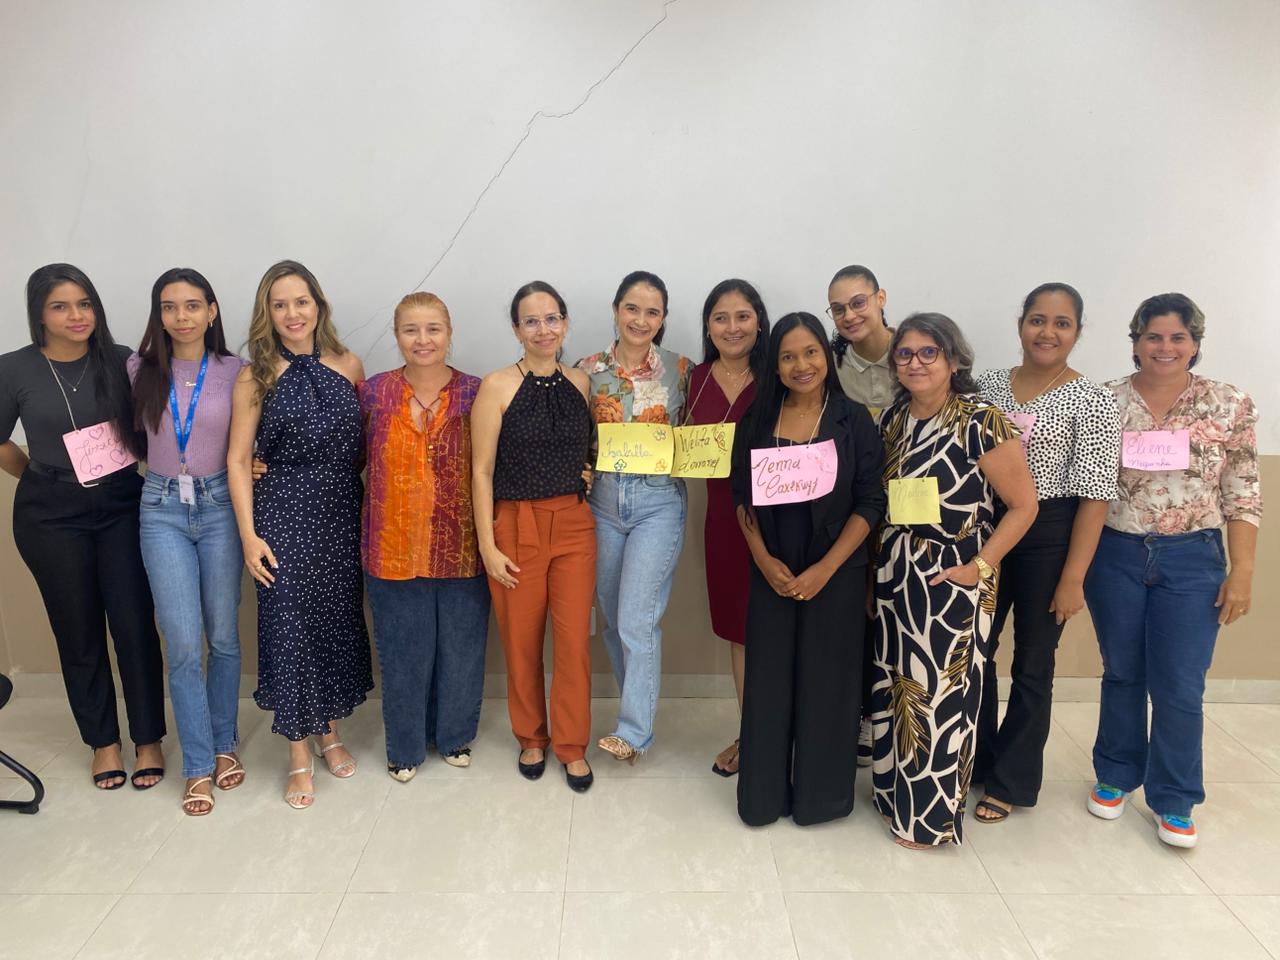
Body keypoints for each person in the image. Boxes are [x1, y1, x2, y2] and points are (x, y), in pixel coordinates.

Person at [1084, 293, 1261, 849]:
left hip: (1193, 557)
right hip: (1116, 553)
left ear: (1195, 344)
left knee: (1181, 685)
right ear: (1134, 342)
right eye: (1153, 336)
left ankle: (1176, 797)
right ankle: (1116, 773)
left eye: (1177, 337)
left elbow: (1243, 491)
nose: (1165, 347)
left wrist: (1242, 571)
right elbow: (1089, 486)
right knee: (1122, 672)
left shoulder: (1228, 403)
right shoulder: (1103, 401)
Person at [871, 313, 1037, 848]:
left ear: (954, 360)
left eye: (928, 353)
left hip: (953, 578)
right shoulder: (894, 419)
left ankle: (929, 821)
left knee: (944, 700)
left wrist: (980, 567)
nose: (915, 363)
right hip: (897, 575)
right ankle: (893, 797)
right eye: (905, 354)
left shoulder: (981, 420)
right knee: (900, 689)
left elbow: (1022, 506)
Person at [0, 263, 165, 791]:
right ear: (39, 314)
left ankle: (147, 740)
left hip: (121, 503)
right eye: (60, 306)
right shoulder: (13, 368)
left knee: (134, 623)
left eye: (85, 304)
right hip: (50, 514)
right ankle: (104, 743)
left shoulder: (123, 362)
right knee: (78, 631)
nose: (76, 316)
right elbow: (2, 440)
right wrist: (44, 477)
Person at [972, 283, 1120, 823]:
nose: (1048, 332)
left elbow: (1097, 494)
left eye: (1061, 323)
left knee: (1034, 661)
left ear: (1077, 332)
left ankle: (1012, 780)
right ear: (1020, 325)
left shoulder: (1092, 399)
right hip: (989, 527)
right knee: (976, 654)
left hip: (1050, 537)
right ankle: (976, 759)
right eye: (1038, 320)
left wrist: (1073, 576)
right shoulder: (987, 386)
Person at [227, 260, 372, 809]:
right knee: (288, 627)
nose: (292, 313)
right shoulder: (254, 374)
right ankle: (296, 753)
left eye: (301, 301)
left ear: (319, 306)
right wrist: (248, 535)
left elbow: (361, 447)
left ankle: (329, 731)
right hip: (281, 515)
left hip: (339, 512)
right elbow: (239, 459)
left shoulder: (350, 364)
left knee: (332, 622)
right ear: (268, 312)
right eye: (280, 304)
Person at [731, 313, 884, 826]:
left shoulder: (853, 419)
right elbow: (740, 499)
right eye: (789, 355)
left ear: (827, 356)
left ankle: (821, 800)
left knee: (827, 686)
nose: (802, 365)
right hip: (771, 569)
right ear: (774, 364)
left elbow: (870, 502)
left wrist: (826, 568)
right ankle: (762, 799)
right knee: (769, 684)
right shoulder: (756, 419)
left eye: (811, 352)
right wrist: (763, 559)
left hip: (835, 572)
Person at [472, 281, 596, 792]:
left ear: (565, 323)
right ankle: (531, 736)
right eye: (531, 320)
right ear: (516, 329)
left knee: (572, 643)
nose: (543, 329)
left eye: (552, 318)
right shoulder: (497, 386)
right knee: (521, 642)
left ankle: (571, 745)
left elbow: (586, 449)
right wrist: (487, 543)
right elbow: (480, 471)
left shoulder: (581, 383)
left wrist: (585, 471)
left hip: (573, 523)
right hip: (514, 524)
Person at [131, 268, 247, 815]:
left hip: (220, 505)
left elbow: (248, 441)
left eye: (193, 305)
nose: (182, 317)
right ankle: (197, 762)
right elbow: (119, 434)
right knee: (182, 643)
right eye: (170, 307)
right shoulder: (137, 368)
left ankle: (225, 746)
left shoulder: (236, 371)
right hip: (160, 512)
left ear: (212, 311)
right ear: (159, 315)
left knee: (222, 636)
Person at [361, 292, 488, 783]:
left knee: (461, 649)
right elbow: (343, 461)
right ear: (397, 336)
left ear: (449, 333)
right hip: (390, 546)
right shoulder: (371, 393)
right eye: (411, 330)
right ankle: (406, 746)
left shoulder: (479, 392)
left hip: (462, 547)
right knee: (403, 654)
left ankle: (455, 736)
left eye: (433, 328)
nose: (423, 339)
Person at [577, 271, 692, 764]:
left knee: (636, 620)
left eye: (652, 312)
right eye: (632, 308)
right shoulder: (585, 370)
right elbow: (575, 437)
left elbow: (700, 434)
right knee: (611, 617)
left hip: (658, 501)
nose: (640, 320)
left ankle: (634, 731)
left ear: (663, 318)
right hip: (601, 502)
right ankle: (635, 711)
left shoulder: (682, 370)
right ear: (615, 309)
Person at [686, 279, 770, 777]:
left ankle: (793, 732)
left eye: (742, 316)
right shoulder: (692, 380)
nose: (732, 327)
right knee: (742, 633)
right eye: (721, 317)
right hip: (723, 521)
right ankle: (753, 733)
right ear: (708, 326)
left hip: (783, 520)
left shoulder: (781, 375)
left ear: (759, 320)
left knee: (783, 628)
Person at [825, 264, 895, 767]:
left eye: (858, 302)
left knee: (893, 613)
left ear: (880, 298)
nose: (849, 314)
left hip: (912, 510)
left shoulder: (917, 351)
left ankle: (889, 721)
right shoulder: (829, 362)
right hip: (850, 508)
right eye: (839, 308)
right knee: (855, 608)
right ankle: (853, 720)